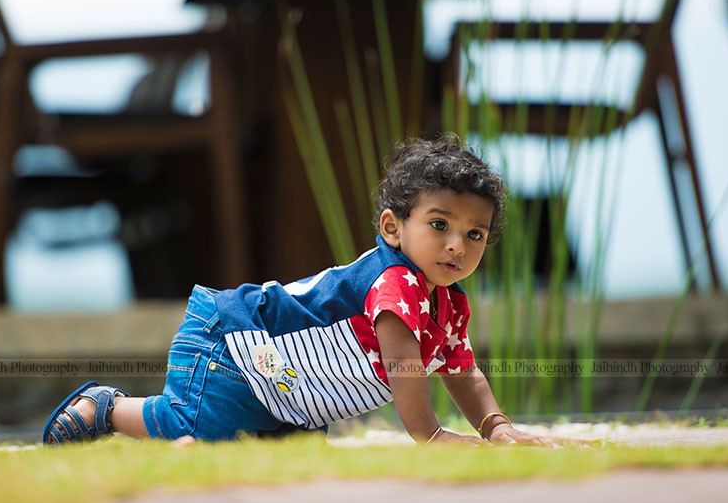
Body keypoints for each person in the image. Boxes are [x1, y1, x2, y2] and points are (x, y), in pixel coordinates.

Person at [43, 136, 553, 448]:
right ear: (393, 228)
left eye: (474, 234)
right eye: (439, 224)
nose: (456, 245)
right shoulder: (396, 284)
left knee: (266, 452)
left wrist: (495, 425)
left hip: (284, 392)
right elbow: (405, 366)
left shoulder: (447, 304)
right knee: (195, 421)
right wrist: (432, 435)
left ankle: (188, 447)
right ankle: (107, 408)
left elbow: (461, 368)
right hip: (234, 349)